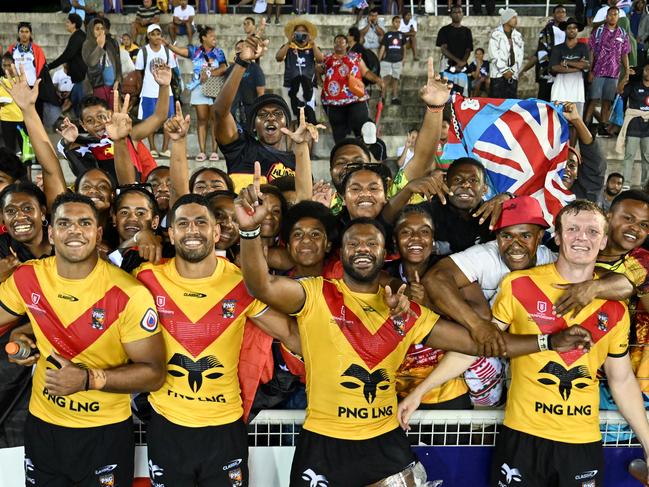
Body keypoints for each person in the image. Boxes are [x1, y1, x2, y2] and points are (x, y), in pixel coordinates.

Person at [234, 172, 592, 486]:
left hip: (385, 443)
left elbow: (480, 343)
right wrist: (249, 230)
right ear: (339, 253)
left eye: (371, 243)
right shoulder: (314, 294)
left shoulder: (409, 312)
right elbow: (260, 286)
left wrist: (548, 341)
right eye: (353, 243)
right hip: (323, 446)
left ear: (384, 251)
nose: (362, 249)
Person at [400, 199, 649, 487]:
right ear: (556, 236)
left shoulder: (615, 308)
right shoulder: (518, 284)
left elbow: (621, 381)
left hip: (581, 443)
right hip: (521, 438)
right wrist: (419, 392)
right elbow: (481, 347)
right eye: (573, 229)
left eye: (592, 231)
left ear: (604, 240)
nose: (582, 237)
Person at [3, 191, 165, 486]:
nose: (75, 230)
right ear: (51, 233)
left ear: (98, 232)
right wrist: (19, 339)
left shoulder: (129, 293)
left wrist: (89, 380)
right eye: (64, 223)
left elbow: (154, 374)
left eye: (85, 223)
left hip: (104, 433)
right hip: (44, 428)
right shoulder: (28, 277)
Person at [134, 194, 297, 485]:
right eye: (182, 223)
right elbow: (102, 280)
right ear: (170, 234)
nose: (193, 230)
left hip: (225, 429)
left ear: (217, 231)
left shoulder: (242, 283)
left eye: (201, 222)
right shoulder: (146, 278)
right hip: (166, 427)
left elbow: (289, 333)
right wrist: (139, 233)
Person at [214, 30, 297, 191]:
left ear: (286, 124)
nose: (271, 118)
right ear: (253, 125)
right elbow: (220, 112)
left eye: (278, 114)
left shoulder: (296, 161)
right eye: (263, 114)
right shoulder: (241, 148)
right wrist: (242, 63)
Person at [164, 24, 226, 162]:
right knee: (202, 120)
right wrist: (168, 44)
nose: (214, 38)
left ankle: (214, 152)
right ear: (204, 37)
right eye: (211, 36)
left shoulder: (219, 52)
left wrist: (209, 72)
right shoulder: (196, 51)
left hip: (215, 89)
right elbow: (181, 51)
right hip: (199, 89)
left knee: (215, 120)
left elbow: (223, 68)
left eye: (215, 36)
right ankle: (202, 151)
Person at [322, 34, 383, 143]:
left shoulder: (355, 57)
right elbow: (318, 70)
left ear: (347, 45)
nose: (339, 44)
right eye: (336, 42)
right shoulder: (327, 59)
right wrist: (321, 83)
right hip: (334, 102)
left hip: (355, 98)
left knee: (361, 127)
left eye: (342, 42)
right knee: (338, 134)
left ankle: (363, 152)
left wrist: (378, 80)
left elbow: (366, 72)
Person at [585, 6, 630, 136]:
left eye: (615, 15)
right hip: (598, 71)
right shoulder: (598, 31)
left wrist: (626, 71)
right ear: (606, 16)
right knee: (593, 99)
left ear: (618, 17)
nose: (612, 17)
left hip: (614, 73)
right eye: (610, 14)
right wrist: (590, 71)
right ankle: (586, 124)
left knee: (607, 101)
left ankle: (603, 126)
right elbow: (592, 52)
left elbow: (624, 54)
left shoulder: (622, 33)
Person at [135, 24, 177, 158]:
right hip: (148, 91)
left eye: (158, 34)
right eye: (153, 34)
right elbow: (138, 72)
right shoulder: (143, 51)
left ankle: (165, 148)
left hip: (165, 91)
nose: (156, 37)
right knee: (149, 120)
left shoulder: (167, 51)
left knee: (169, 119)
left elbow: (173, 70)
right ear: (148, 36)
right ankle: (152, 147)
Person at [275, 18, 323, 119]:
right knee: (291, 116)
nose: (301, 35)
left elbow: (320, 60)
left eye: (303, 33)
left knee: (310, 116)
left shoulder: (312, 48)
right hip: (290, 86)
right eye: (298, 33)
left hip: (309, 86)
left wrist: (313, 43)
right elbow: (278, 57)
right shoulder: (288, 47)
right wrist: (289, 42)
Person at [519, 5, 568, 102]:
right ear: (553, 14)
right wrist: (524, 70)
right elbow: (540, 53)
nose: (561, 14)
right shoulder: (547, 31)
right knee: (544, 100)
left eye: (563, 12)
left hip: (563, 70)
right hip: (548, 71)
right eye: (558, 12)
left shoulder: (568, 30)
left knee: (560, 100)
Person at [47, 13, 87, 116]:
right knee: (75, 102)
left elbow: (67, 55)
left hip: (82, 78)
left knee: (80, 105)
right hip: (79, 78)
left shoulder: (77, 37)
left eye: (68, 22)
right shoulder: (78, 36)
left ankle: (83, 127)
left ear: (74, 24)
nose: (66, 24)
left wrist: (50, 66)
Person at [549, 17, 590, 118]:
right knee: (557, 121)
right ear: (565, 30)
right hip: (559, 91)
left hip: (577, 91)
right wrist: (577, 67)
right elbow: (554, 68)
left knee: (577, 121)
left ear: (577, 30)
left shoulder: (583, 47)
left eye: (574, 28)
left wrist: (566, 62)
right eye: (569, 28)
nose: (572, 30)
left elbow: (586, 65)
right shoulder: (557, 48)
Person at [617, 62, 649, 186]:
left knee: (647, 157)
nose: (648, 73)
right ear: (643, 71)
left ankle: (645, 185)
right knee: (629, 156)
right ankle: (626, 184)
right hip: (634, 125)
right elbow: (619, 91)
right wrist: (625, 77)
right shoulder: (634, 86)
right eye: (647, 70)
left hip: (648, 128)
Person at [82, 17, 122, 110]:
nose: (100, 31)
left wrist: (118, 80)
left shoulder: (110, 44)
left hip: (113, 87)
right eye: (97, 29)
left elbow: (117, 64)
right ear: (91, 30)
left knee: (113, 114)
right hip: (98, 86)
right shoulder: (87, 44)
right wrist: (100, 46)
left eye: (102, 28)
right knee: (101, 113)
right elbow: (91, 62)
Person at [228, 40, 265, 129]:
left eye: (242, 48)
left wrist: (259, 111)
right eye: (238, 49)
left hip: (250, 108)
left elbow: (261, 93)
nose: (240, 50)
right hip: (234, 109)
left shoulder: (255, 68)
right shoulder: (231, 69)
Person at [437, 5, 473, 95]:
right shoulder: (444, 30)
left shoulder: (467, 31)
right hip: (446, 67)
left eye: (459, 12)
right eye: (455, 12)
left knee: (464, 96)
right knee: (446, 95)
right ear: (450, 15)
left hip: (462, 69)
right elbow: (443, 49)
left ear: (463, 14)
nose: (457, 14)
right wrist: (458, 62)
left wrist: (463, 62)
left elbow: (468, 49)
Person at [488, 8, 525, 99]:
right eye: (513, 18)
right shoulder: (496, 34)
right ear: (506, 19)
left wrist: (512, 71)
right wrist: (504, 71)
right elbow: (493, 54)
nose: (516, 20)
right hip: (498, 75)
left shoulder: (518, 35)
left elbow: (520, 55)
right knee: (497, 103)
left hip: (513, 75)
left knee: (510, 104)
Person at [378, 16, 406, 105]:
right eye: (396, 22)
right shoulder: (387, 35)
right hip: (387, 60)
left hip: (398, 60)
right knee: (385, 78)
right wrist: (379, 59)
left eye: (399, 22)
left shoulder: (402, 35)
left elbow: (404, 48)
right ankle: (382, 97)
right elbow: (383, 47)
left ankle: (394, 97)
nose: (398, 24)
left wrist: (404, 58)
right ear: (392, 22)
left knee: (395, 79)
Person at [0, 54, 24, 155]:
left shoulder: (20, 80)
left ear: (13, 65)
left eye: (9, 65)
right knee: (9, 148)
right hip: (5, 119)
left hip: (20, 119)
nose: (7, 68)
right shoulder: (0, 81)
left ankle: (26, 170)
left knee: (25, 148)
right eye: (4, 65)